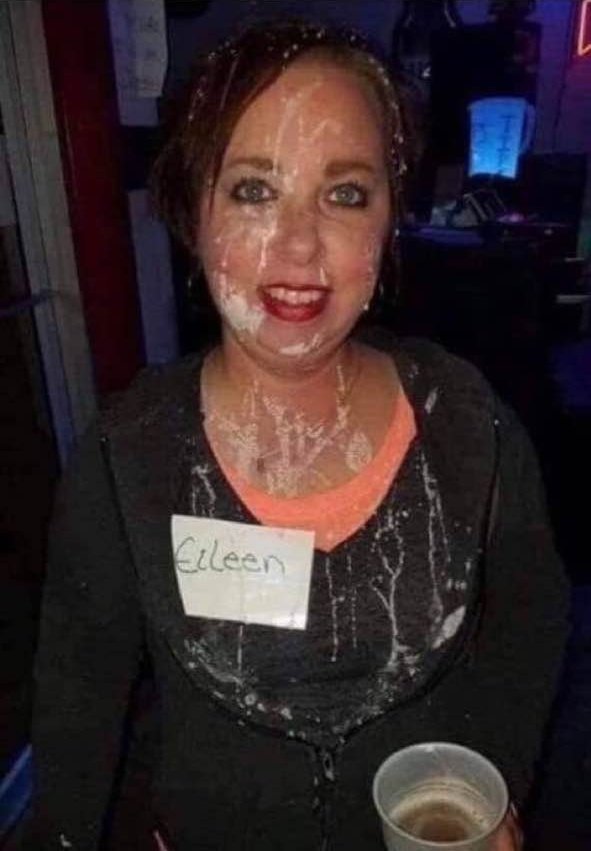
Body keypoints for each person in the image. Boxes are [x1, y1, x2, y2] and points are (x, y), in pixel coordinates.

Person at [26, 20, 568, 851]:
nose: (299, 243)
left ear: (388, 220)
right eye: (253, 189)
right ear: (192, 211)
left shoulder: (467, 420)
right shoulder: (126, 453)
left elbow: (528, 623)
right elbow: (79, 692)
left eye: (345, 194)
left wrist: (491, 787)